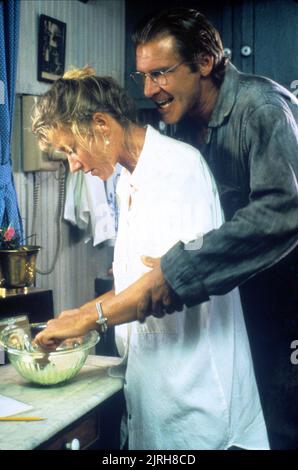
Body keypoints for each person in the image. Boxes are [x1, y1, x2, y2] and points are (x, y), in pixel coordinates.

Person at [32, 67, 269, 450]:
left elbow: (170, 285)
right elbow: (137, 281)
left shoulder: (179, 170)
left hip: (197, 401)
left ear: (101, 124)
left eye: (72, 148)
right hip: (155, 393)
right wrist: (82, 317)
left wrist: (86, 318)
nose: (73, 164)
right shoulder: (129, 179)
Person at [127, 7, 298, 449]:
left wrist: (177, 270)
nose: (150, 90)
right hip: (237, 310)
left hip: (286, 314)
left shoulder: (262, 108)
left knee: (282, 427)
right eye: (143, 76)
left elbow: (284, 210)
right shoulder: (183, 126)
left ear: (205, 61)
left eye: (160, 73)